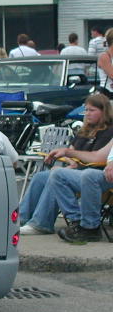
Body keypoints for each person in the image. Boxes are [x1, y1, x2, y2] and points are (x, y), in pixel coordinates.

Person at [19, 93, 113, 235]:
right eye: (86, 110)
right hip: (79, 171)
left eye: (92, 110)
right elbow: (71, 151)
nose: (87, 114)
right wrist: (70, 162)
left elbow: (97, 157)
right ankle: (21, 219)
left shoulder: (109, 131)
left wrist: (69, 155)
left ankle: (41, 223)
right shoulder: (85, 130)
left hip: (96, 172)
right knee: (41, 177)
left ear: (104, 111)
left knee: (57, 175)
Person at [47, 137, 113, 244]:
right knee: (58, 174)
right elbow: (98, 156)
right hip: (108, 174)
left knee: (90, 175)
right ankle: (77, 222)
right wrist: (67, 152)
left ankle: (91, 228)